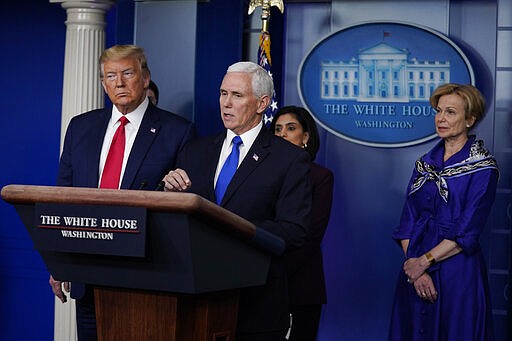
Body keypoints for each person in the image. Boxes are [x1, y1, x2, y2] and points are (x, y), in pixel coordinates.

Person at [49, 44, 196, 340]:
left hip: (144, 275)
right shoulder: (81, 127)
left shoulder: (177, 131)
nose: (119, 82)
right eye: (111, 76)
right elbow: (63, 196)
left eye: (128, 73)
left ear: (145, 78)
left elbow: (186, 206)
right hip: (87, 271)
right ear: (103, 84)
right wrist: (58, 261)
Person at [162, 61, 312, 341]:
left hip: (255, 303)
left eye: (237, 95)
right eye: (222, 93)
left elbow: (294, 230)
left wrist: (232, 228)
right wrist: (169, 193)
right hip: (197, 301)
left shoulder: (289, 159)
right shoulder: (195, 151)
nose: (226, 103)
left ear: (262, 103)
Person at [389, 83, 499, 340]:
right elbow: (407, 222)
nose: (441, 118)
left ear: (470, 119)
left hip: (457, 272)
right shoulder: (424, 164)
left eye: (450, 112)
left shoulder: (483, 168)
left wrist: (423, 263)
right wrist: (413, 268)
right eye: (439, 111)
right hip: (414, 267)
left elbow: (467, 233)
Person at [269, 106, 334, 341]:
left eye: (291, 128)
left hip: (299, 285)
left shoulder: (319, 177)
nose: (282, 134)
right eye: (277, 129)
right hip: (259, 284)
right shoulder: (261, 173)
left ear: (305, 137)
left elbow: (311, 235)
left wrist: (274, 272)